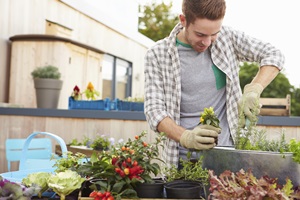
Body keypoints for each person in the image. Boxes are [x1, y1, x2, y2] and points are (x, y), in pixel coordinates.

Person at [144, 0, 284, 167]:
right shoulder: (157, 54)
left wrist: (254, 89)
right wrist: (186, 137)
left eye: (214, 34)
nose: (208, 42)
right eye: (200, 35)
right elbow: (154, 111)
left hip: (227, 157)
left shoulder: (227, 38)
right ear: (183, 20)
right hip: (181, 161)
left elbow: (274, 54)